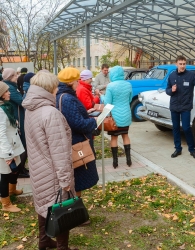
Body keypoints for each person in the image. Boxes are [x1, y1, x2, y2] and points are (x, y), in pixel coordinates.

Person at [22, 71, 78, 250]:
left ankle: (44, 242)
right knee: (61, 211)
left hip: (38, 169)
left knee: (43, 206)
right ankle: (63, 247)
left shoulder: (30, 109)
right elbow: (60, 151)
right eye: (55, 85)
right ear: (50, 88)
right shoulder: (51, 113)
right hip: (53, 172)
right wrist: (65, 181)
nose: (57, 88)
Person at [56, 67, 99, 199]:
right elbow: (77, 124)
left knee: (77, 177)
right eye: (77, 81)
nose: (79, 83)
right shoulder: (68, 98)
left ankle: (76, 206)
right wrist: (94, 121)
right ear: (70, 82)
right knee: (78, 178)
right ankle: (76, 209)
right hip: (76, 143)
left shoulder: (63, 95)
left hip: (73, 141)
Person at [101, 66, 133, 168]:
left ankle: (115, 162)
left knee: (114, 138)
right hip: (126, 115)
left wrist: (101, 96)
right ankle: (129, 160)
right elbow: (129, 99)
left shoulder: (110, 86)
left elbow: (107, 102)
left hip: (115, 117)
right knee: (125, 135)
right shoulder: (128, 85)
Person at [0, 81, 24, 212]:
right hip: (5, 149)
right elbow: (1, 134)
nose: (9, 93)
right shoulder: (1, 111)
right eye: (6, 91)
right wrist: (8, 155)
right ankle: (6, 203)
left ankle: (12, 190)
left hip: (12, 145)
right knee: (5, 175)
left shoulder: (5, 107)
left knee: (16, 169)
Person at [2, 68, 29, 178]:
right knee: (21, 143)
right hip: (16, 117)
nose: (17, 77)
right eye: (14, 75)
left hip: (17, 116)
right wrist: (27, 92)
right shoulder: (9, 87)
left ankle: (20, 168)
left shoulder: (11, 86)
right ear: (9, 77)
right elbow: (22, 101)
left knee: (22, 143)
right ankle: (19, 169)